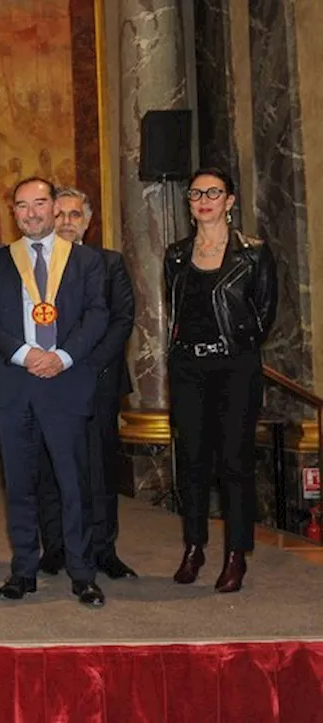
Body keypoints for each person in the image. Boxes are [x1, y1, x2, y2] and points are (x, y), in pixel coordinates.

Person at [0, 176, 108, 608]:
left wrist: (63, 356)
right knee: (20, 485)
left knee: (73, 484)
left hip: (65, 384)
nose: (31, 213)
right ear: (13, 212)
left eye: (39, 203)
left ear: (55, 208)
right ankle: (23, 571)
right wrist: (23, 354)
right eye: (22, 206)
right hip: (16, 384)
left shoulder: (85, 261)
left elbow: (96, 315)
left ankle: (83, 573)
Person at [166, 167, 276, 593]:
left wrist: (232, 348)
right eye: (196, 193)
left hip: (235, 369)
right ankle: (194, 547)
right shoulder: (175, 255)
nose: (204, 199)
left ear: (230, 201)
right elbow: (177, 313)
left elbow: (264, 315)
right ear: (190, 203)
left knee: (234, 462)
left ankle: (236, 555)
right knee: (192, 461)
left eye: (214, 192)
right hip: (188, 369)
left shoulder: (254, 253)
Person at [35, 188, 138, 580]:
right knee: (48, 468)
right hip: (45, 382)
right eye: (57, 214)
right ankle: (55, 547)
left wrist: (80, 365)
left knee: (99, 468)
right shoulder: (35, 266)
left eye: (74, 215)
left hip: (97, 379)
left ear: (87, 220)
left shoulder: (110, 264)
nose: (65, 222)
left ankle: (103, 548)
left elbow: (121, 322)